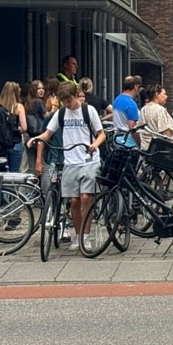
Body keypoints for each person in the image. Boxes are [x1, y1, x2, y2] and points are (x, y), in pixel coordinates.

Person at [28, 82, 105, 252]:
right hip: (70, 162)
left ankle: (86, 237)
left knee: (86, 198)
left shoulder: (88, 111)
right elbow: (48, 133)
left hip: (89, 160)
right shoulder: (61, 113)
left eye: (69, 100)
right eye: (64, 101)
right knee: (74, 201)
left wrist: (94, 145)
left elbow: (101, 134)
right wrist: (36, 139)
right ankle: (78, 236)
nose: (67, 104)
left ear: (76, 95)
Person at [0, 81, 28, 173]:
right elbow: (24, 127)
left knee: (1, 172)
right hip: (15, 142)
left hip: (1, 143)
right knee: (14, 173)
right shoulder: (19, 107)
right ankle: (12, 188)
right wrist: (16, 130)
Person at [139, 84, 173, 150]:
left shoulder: (143, 109)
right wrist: (172, 147)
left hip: (147, 147)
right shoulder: (159, 109)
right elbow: (164, 130)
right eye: (164, 94)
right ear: (157, 94)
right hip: (159, 150)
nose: (166, 97)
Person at [111, 76, 141, 147]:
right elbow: (132, 127)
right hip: (128, 142)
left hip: (117, 139)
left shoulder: (117, 99)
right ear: (135, 86)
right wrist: (140, 142)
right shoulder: (131, 104)